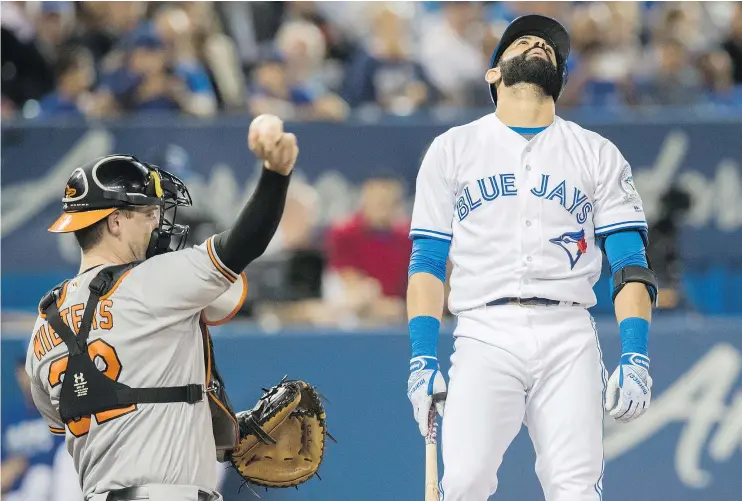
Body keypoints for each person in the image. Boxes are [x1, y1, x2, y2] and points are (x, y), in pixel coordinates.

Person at [406, 15, 657, 501]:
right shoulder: (453, 149)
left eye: (548, 45)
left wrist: (636, 352)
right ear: (493, 73)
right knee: (463, 482)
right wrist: (421, 355)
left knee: (575, 488)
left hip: (568, 332)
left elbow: (629, 262)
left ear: (561, 79)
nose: (538, 44)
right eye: (523, 40)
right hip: (483, 329)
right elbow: (428, 262)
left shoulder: (596, 152)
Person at [25, 115, 298, 501]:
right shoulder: (151, 282)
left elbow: (106, 416)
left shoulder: (43, 324)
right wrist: (276, 173)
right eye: (149, 212)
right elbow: (243, 243)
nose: (159, 222)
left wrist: (218, 428)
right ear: (116, 222)